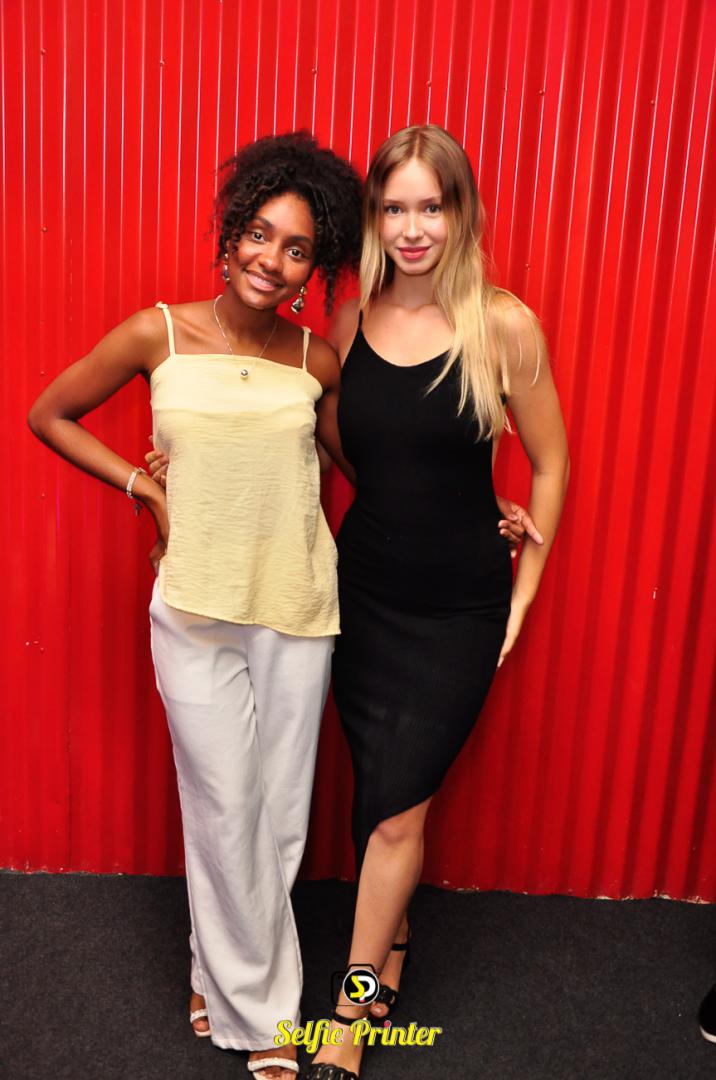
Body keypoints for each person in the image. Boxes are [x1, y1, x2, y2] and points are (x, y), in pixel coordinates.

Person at [27, 132, 364, 1080]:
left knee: (280, 817)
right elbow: (49, 413)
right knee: (224, 804)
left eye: (296, 249)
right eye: (259, 235)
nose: (271, 259)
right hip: (193, 602)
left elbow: (361, 469)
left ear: (313, 269)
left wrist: (475, 501)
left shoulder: (317, 359)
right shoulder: (159, 334)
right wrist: (144, 486)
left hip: (297, 601)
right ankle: (266, 1020)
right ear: (230, 237)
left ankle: (215, 974)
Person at [303, 124, 570, 1080]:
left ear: (462, 212)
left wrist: (522, 595)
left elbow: (551, 464)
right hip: (364, 592)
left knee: (394, 816)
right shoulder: (348, 323)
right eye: (394, 208)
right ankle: (397, 940)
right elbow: (342, 445)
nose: (413, 228)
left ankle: (349, 1014)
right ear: (375, 217)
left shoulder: (504, 325)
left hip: (459, 608)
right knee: (379, 800)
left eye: (432, 205)